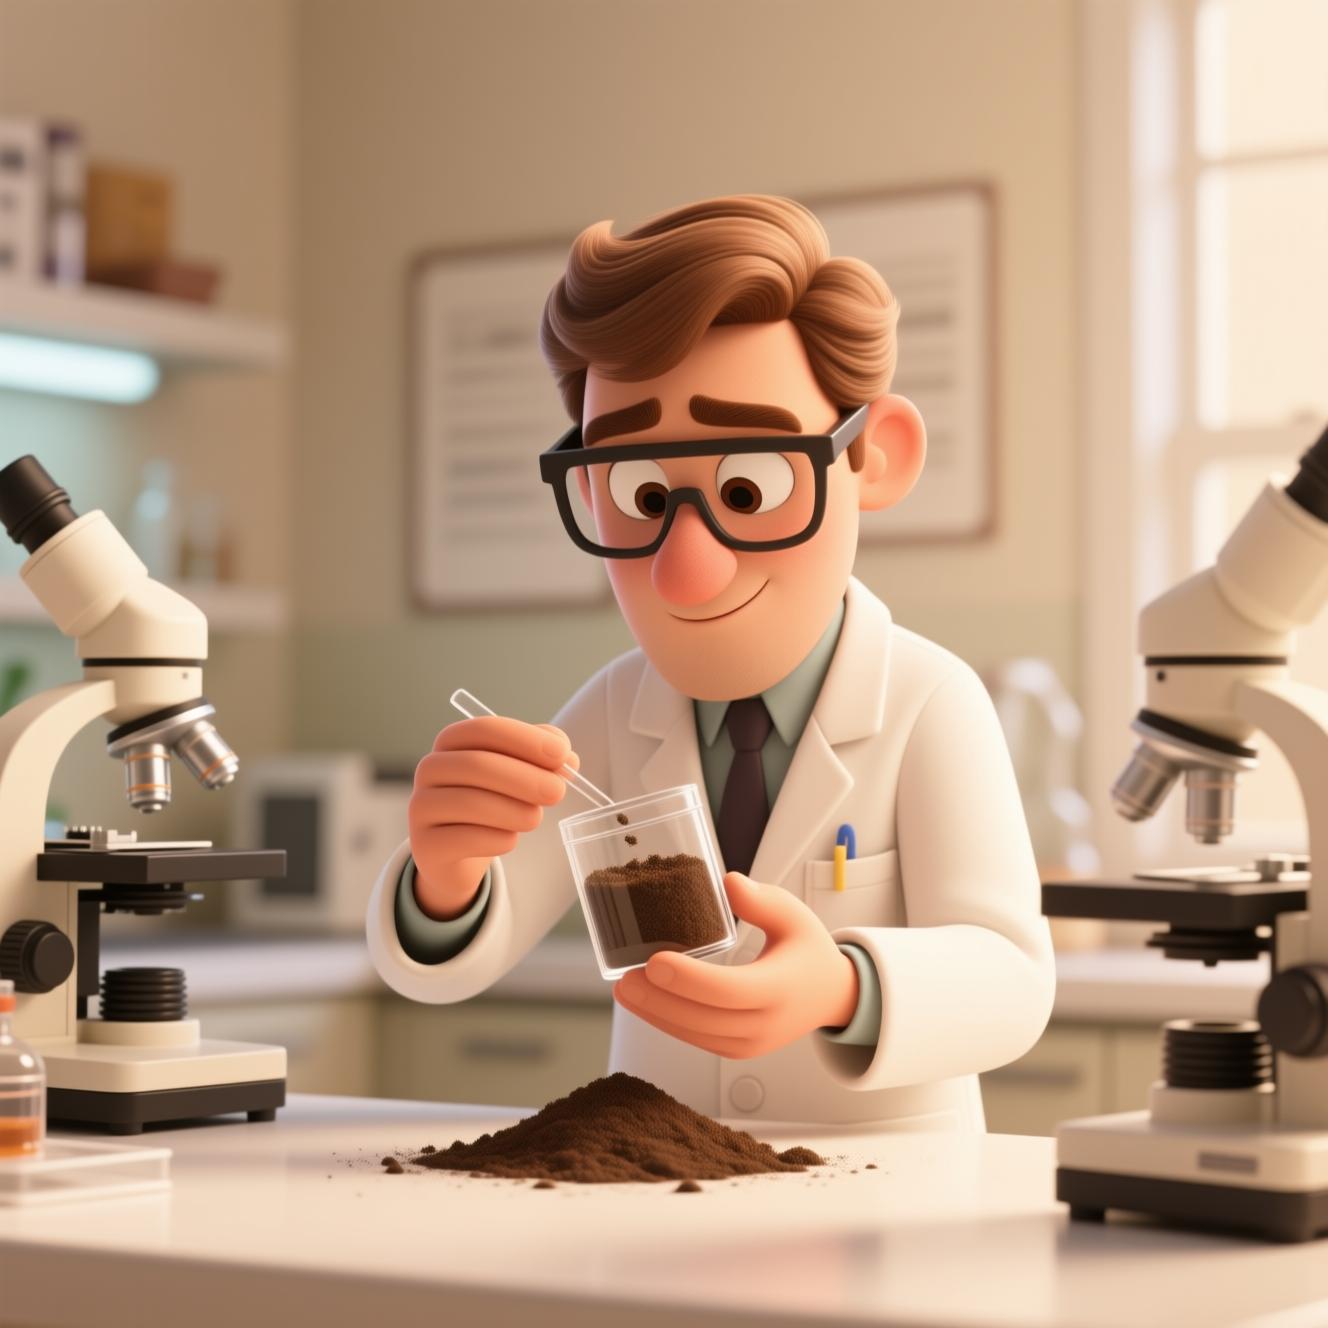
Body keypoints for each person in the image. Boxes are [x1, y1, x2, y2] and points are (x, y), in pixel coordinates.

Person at [366, 194, 1055, 1129]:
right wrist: (445, 876)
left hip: (886, 1186)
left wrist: (842, 989)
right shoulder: (612, 713)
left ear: (873, 456)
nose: (686, 568)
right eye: (643, 494)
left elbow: (1012, 979)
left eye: (748, 486)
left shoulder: (929, 701)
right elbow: (451, 964)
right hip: (659, 1170)